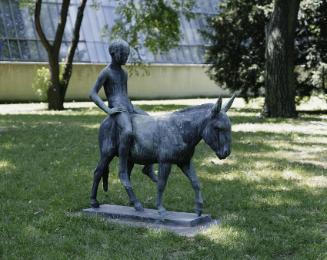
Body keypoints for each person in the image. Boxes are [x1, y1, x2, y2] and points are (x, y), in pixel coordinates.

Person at [89, 39, 156, 195]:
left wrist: (132, 108)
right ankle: (123, 169)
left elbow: (124, 94)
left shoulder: (124, 73)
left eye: (127, 54)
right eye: (124, 54)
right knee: (127, 131)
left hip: (128, 106)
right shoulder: (106, 72)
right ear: (114, 54)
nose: (126, 57)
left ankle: (148, 167)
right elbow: (92, 93)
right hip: (118, 109)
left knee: (152, 124)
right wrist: (108, 110)